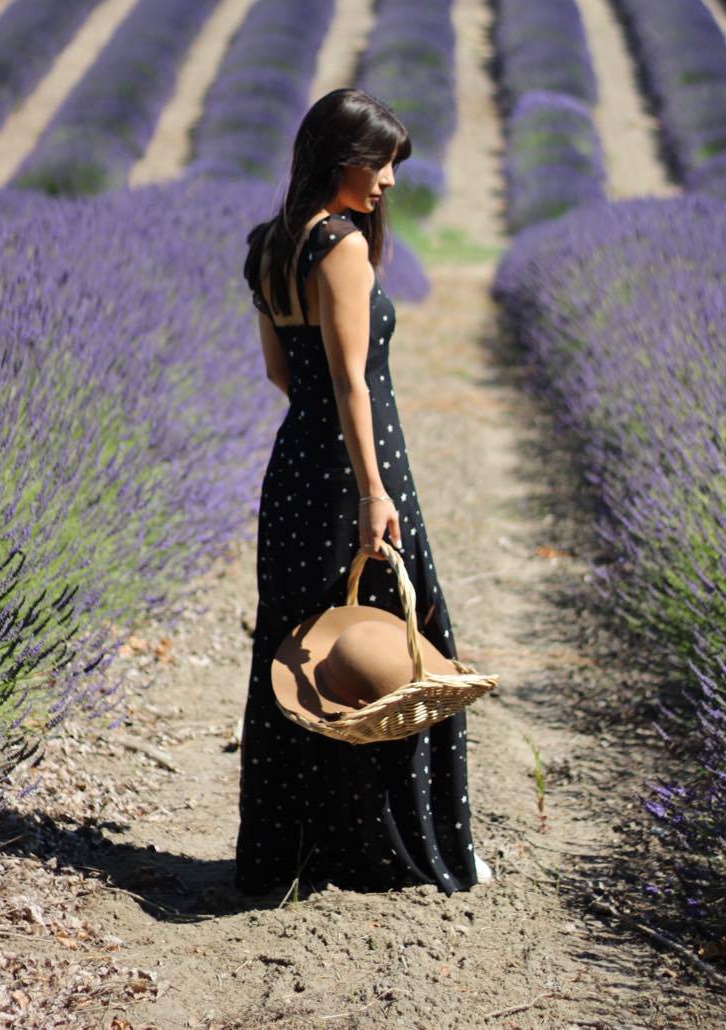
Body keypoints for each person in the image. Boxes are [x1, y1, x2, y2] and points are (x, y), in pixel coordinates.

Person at [235, 87, 490, 895]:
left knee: (298, 657)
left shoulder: (268, 245)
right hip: (356, 471)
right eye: (376, 164)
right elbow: (352, 382)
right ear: (336, 159)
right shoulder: (340, 245)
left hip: (297, 468)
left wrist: (322, 446)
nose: (385, 182)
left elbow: (284, 373)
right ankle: (398, 850)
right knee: (391, 655)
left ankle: (292, 854)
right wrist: (374, 490)